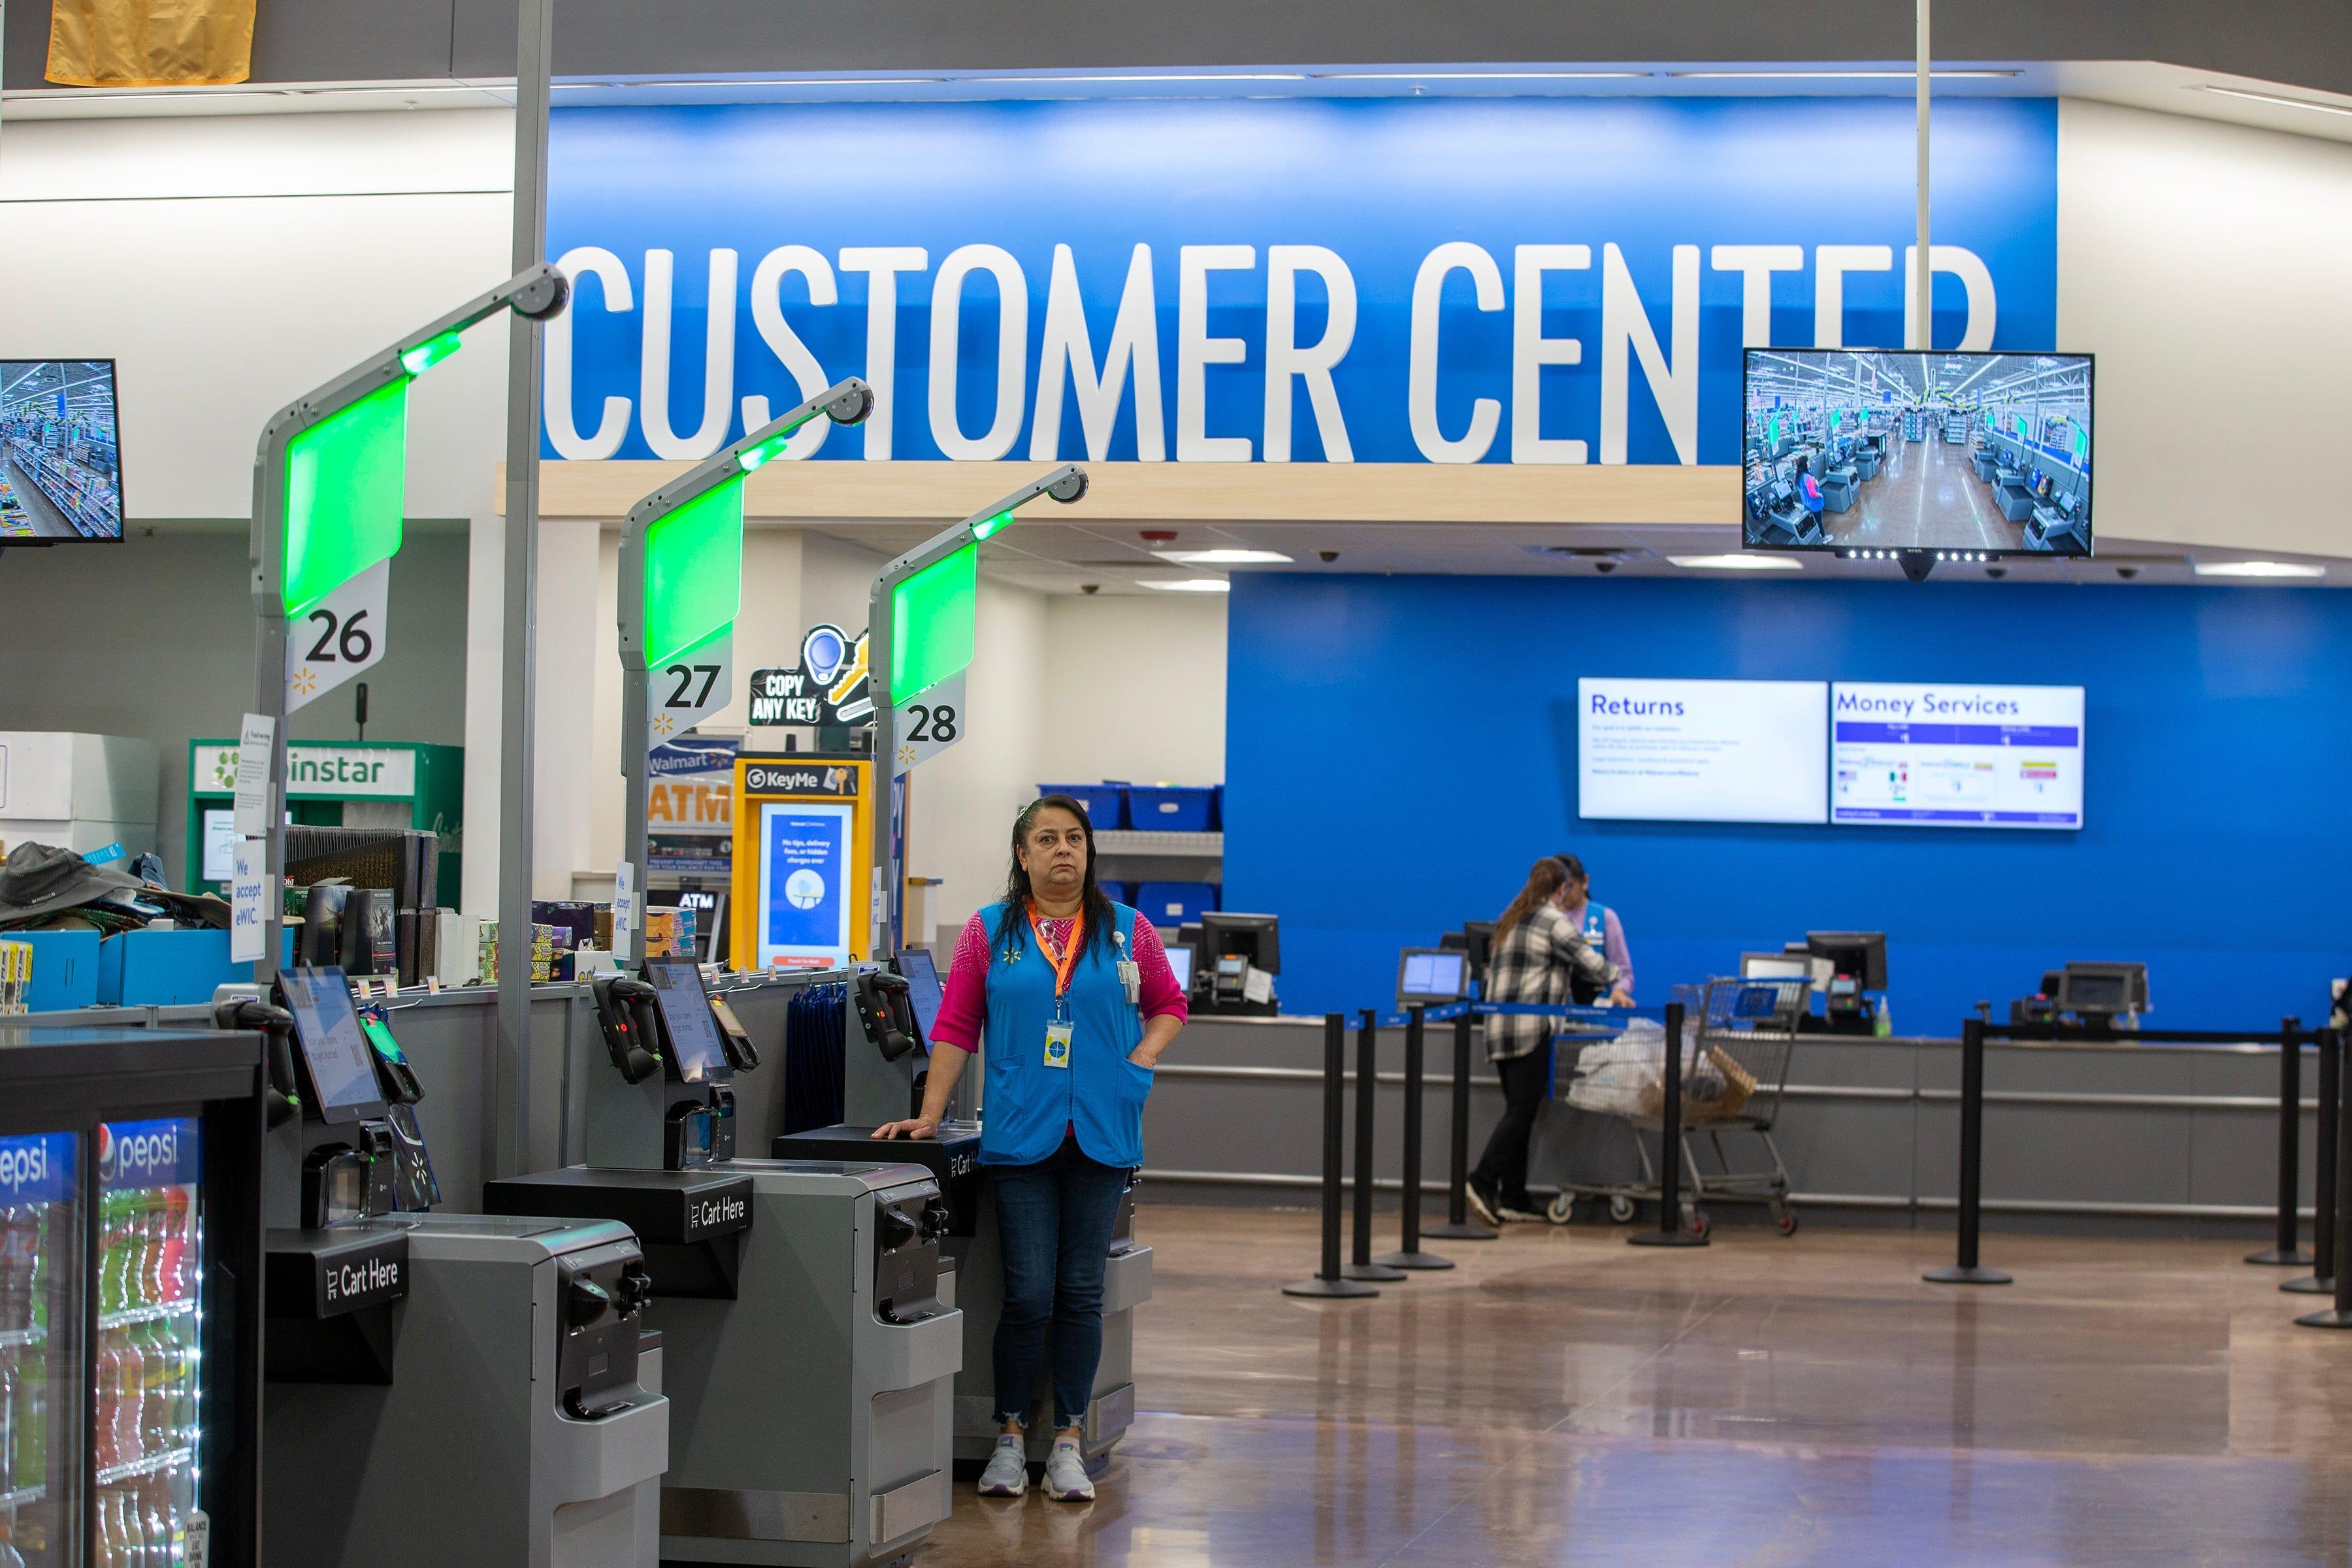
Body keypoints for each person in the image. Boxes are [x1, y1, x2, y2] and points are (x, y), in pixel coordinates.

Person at [874, 794, 1187, 1503]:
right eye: (1046, 839)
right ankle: (1011, 1438)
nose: (1062, 851)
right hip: (1021, 1137)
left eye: (1074, 838)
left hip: (1103, 1135)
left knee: (1080, 1295)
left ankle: (1070, 1440)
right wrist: (928, 1115)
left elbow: (1171, 1004)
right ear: (1023, 855)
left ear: (1088, 850)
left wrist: (1138, 1061)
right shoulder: (988, 933)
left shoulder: (1128, 931)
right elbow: (956, 1023)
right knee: (1026, 1296)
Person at [1467, 857, 1622, 1227]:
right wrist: (1615, 978)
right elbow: (1594, 965)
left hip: (1499, 1029)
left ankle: (1514, 1198)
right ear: (1562, 888)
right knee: (1522, 1112)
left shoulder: (1512, 917)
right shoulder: (1554, 921)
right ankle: (1481, 1180)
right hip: (1531, 1029)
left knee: (1519, 1112)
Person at [1549, 852, 1634, 1007]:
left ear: (1585, 882)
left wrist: (1619, 990)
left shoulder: (1606, 917)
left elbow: (1624, 973)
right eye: (1557, 887)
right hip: (1555, 1012)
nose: (1563, 892)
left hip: (1597, 1015)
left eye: (1569, 886)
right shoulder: (1546, 918)